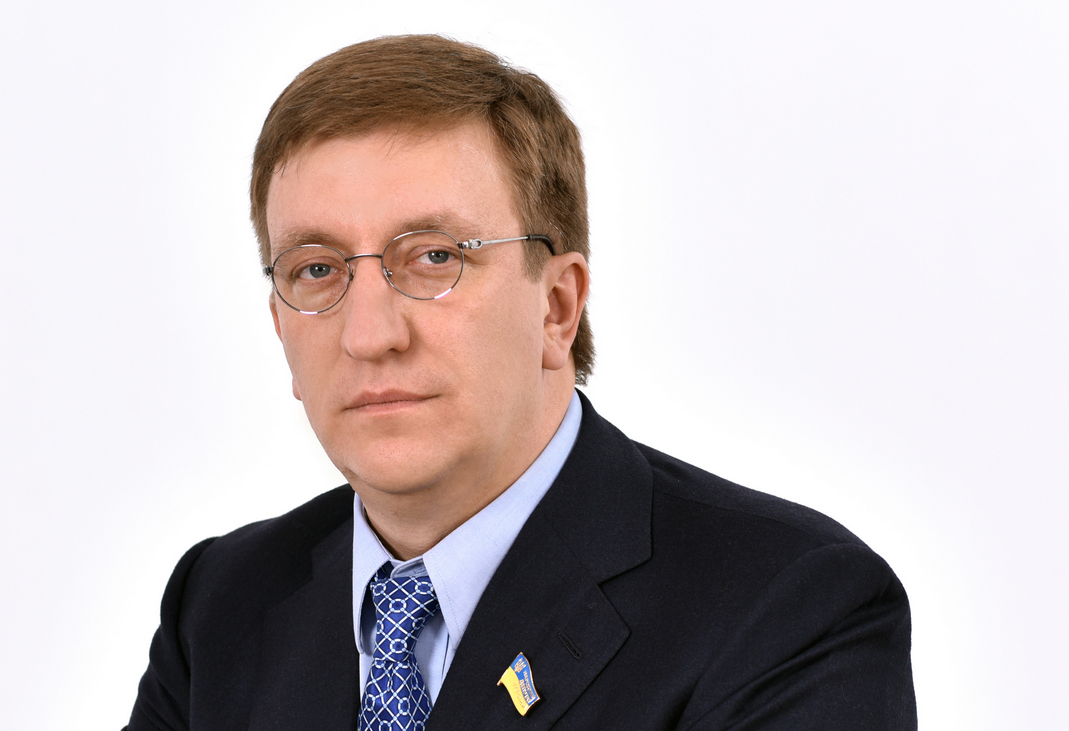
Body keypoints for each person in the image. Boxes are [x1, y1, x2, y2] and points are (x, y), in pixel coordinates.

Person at [126, 34, 915, 731]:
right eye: (317, 269)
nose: (369, 335)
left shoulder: (787, 608)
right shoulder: (221, 603)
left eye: (434, 256)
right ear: (280, 325)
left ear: (558, 306)